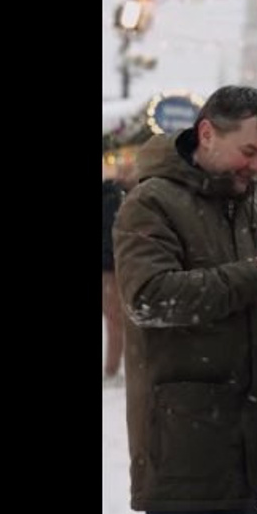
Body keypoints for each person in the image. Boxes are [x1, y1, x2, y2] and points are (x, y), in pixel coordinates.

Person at [112, 85, 257, 514]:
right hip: (182, 444)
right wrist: (252, 277)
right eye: (249, 151)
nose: (256, 167)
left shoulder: (249, 211)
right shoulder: (150, 203)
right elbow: (149, 299)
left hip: (244, 444)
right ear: (208, 133)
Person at [101, 161, 136, 384]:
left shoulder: (111, 196)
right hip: (111, 265)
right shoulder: (116, 197)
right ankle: (113, 370)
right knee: (116, 319)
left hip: (109, 265)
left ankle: (113, 369)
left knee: (114, 319)